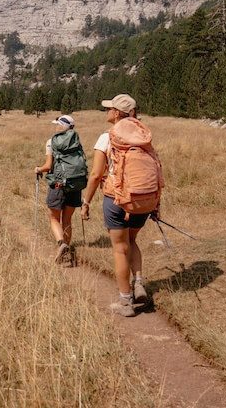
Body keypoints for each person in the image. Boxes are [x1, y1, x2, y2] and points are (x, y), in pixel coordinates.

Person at [81, 94, 158, 317]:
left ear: (116, 113)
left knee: (119, 249)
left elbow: (96, 175)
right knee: (132, 240)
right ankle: (139, 282)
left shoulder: (106, 137)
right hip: (142, 200)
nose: (107, 112)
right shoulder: (143, 136)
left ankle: (125, 300)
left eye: (109, 109)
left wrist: (86, 201)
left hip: (116, 200)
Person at [34, 114, 87, 266]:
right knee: (67, 219)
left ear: (62, 126)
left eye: (57, 124)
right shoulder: (76, 141)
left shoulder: (51, 142)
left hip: (58, 185)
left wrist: (38, 169)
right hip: (75, 184)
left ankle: (61, 244)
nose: (55, 126)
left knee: (53, 218)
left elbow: (48, 166)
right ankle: (67, 252)